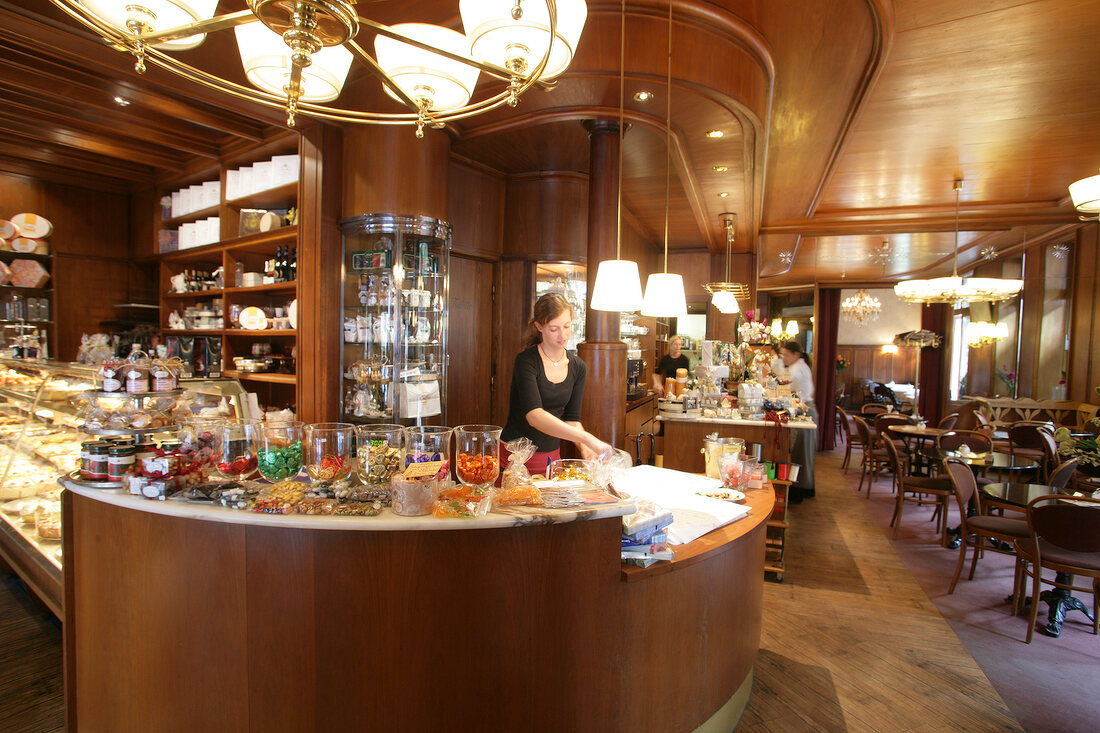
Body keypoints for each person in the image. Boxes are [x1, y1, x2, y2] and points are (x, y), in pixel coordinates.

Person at [501, 293, 612, 477]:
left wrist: (585, 448)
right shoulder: (526, 362)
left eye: (567, 326)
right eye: (554, 329)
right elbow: (535, 416)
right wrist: (588, 438)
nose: (563, 335)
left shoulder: (578, 367)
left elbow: (572, 419)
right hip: (515, 458)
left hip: (551, 457)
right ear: (539, 327)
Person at [778, 340, 817, 502]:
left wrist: (777, 366)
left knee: (802, 453)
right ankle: (801, 488)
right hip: (802, 408)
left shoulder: (799, 368)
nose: (784, 358)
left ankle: (800, 490)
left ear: (796, 354)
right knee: (800, 453)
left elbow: (785, 383)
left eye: (786, 355)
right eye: (783, 355)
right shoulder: (796, 366)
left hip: (806, 410)